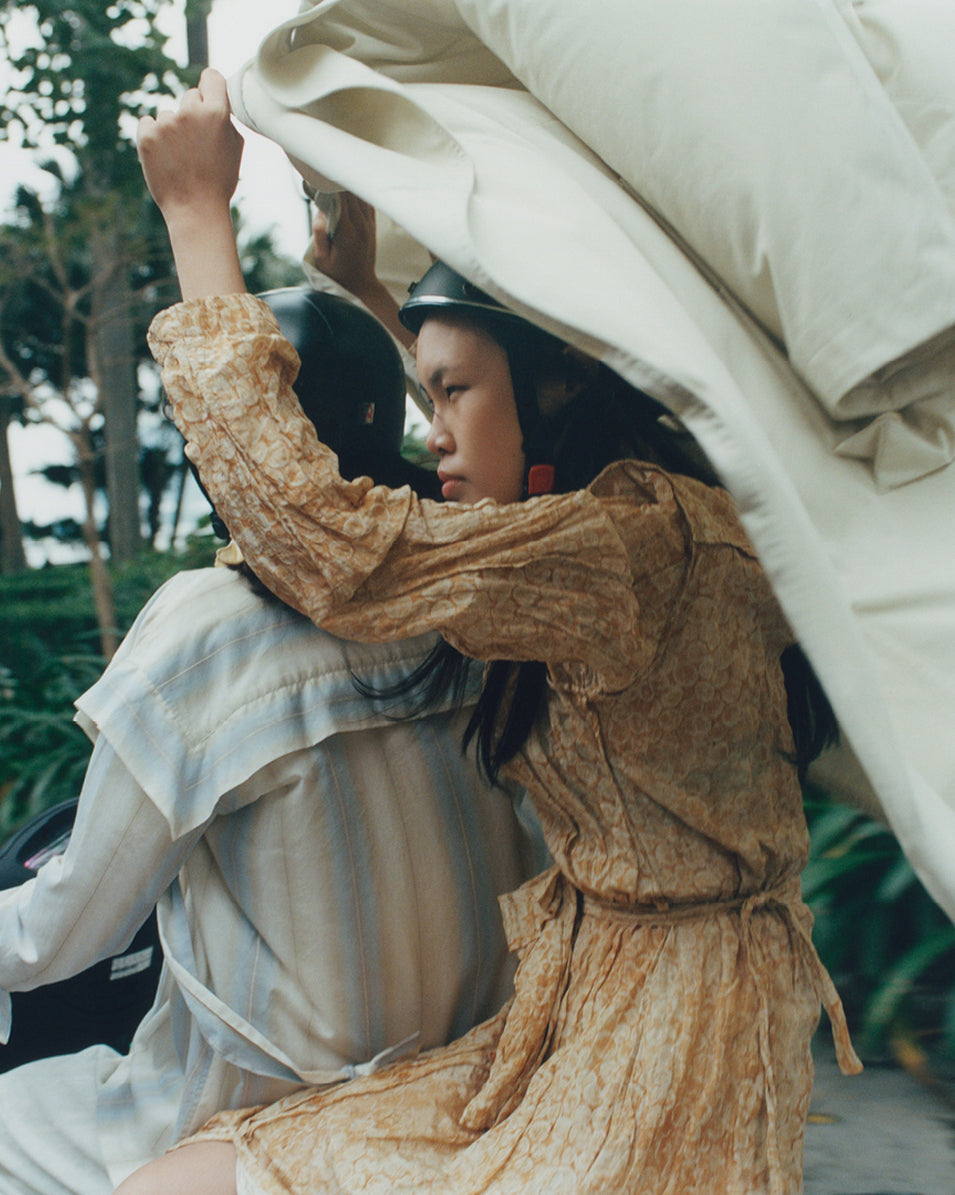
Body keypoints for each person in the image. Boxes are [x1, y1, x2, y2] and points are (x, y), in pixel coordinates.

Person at [125, 68, 862, 1194]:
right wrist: (376, 293)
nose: (437, 438)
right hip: (587, 1008)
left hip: (660, 1056)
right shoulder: (648, 515)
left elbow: (325, 542)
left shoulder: (623, 552)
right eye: (429, 395)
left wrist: (195, 218)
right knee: (202, 1171)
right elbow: (482, 471)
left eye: (452, 391)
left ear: (558, 386)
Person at [0, 279, 542, 1194]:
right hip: (465, 1088)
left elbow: (59, 937)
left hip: (254, 1122)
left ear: (245, 436)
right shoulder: (468, 593)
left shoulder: (206, 629)